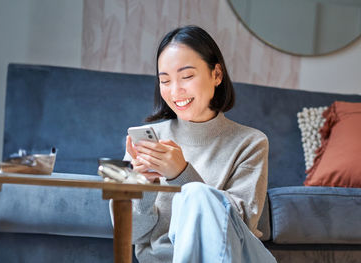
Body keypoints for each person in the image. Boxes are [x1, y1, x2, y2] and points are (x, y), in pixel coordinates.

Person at [111, 25, 276, 263]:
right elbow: (130, 235)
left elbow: (242, 224)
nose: (176, 91)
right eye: (165, 80)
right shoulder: (147, 142)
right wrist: (143, 188)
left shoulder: (251, 143)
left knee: (197, 194)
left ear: (216, 75)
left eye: (187, 76)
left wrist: (181, 174)